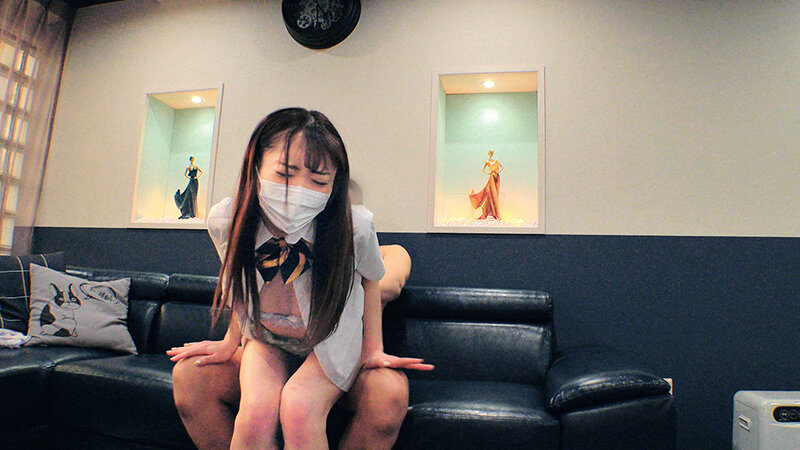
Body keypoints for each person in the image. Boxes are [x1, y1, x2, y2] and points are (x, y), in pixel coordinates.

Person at [168, 108, 431, 449]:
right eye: (285, 173)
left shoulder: (354, 227)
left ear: (334, 187)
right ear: (255, 167)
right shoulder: (228, 219)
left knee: (299, 408)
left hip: (330, 340)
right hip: (266, 338)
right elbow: (241, 283)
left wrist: (373, 349)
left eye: (319, 182)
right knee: (255, 415)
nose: (300, 191)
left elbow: (372, 280)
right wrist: (230, 342)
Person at [469, 148, 503, 220]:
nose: (491, 154)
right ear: (488, 154)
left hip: (496, 177)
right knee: (490, 192)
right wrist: (489, 173)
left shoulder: (495, 161)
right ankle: (490, 211)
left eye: (492, 153)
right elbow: (483, 170)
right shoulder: (487, 162)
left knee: (495, 193)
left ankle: (494, 212)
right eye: (490, 153)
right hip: (492, 176)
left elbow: (502, 167)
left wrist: (497, 172)